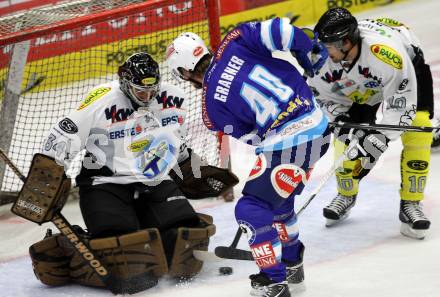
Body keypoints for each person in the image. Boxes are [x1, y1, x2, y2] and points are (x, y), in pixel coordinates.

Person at [25, 52, 237, 294]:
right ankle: (69, 249)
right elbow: (63, 134)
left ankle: (145, 229)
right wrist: (46, 175)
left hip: (153, 180)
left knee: (186, 242)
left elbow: (174, 139)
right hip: (104, 183)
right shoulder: (102, 99)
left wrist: (188, 166)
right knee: (124, 256)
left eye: (151, 91)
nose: (147, 98)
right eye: (140, 92)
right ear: (126, 85)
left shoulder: (170, 98)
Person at [166, 18, 330, 297]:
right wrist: (308, 50)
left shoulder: (210, 111)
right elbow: (283, 30)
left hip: (291, 145)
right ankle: (291, 263)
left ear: (184, 72)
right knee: (277, 205)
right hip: (318, 126)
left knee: (251, 210)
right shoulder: (235, 40)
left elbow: (255, 137)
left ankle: (273, 282)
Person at [308, 8, 433, 239]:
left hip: (406, 69)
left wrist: (380, 137)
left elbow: (401, 105)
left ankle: (411, 203)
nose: (324, 52)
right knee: (346, 135)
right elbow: (321, 96)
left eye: (329, 46)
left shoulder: (386, 56)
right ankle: (346, 194)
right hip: (359, 79)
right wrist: (341, 119)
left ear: (346, 42)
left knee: (419, 129)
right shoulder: (322, 59)